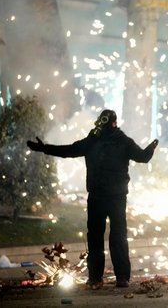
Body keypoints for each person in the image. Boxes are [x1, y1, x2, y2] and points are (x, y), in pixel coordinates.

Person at [26, 109, 158, 289]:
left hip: (104, 196)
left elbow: (70, 150)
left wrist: (44, 149)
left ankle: (99, 278)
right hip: (110, 196)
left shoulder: (98, 140)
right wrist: (44, 148)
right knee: (112, 236)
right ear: (114, 123)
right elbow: (143, 157)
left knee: (100, 237)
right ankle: (118, 278)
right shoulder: (113, 140)